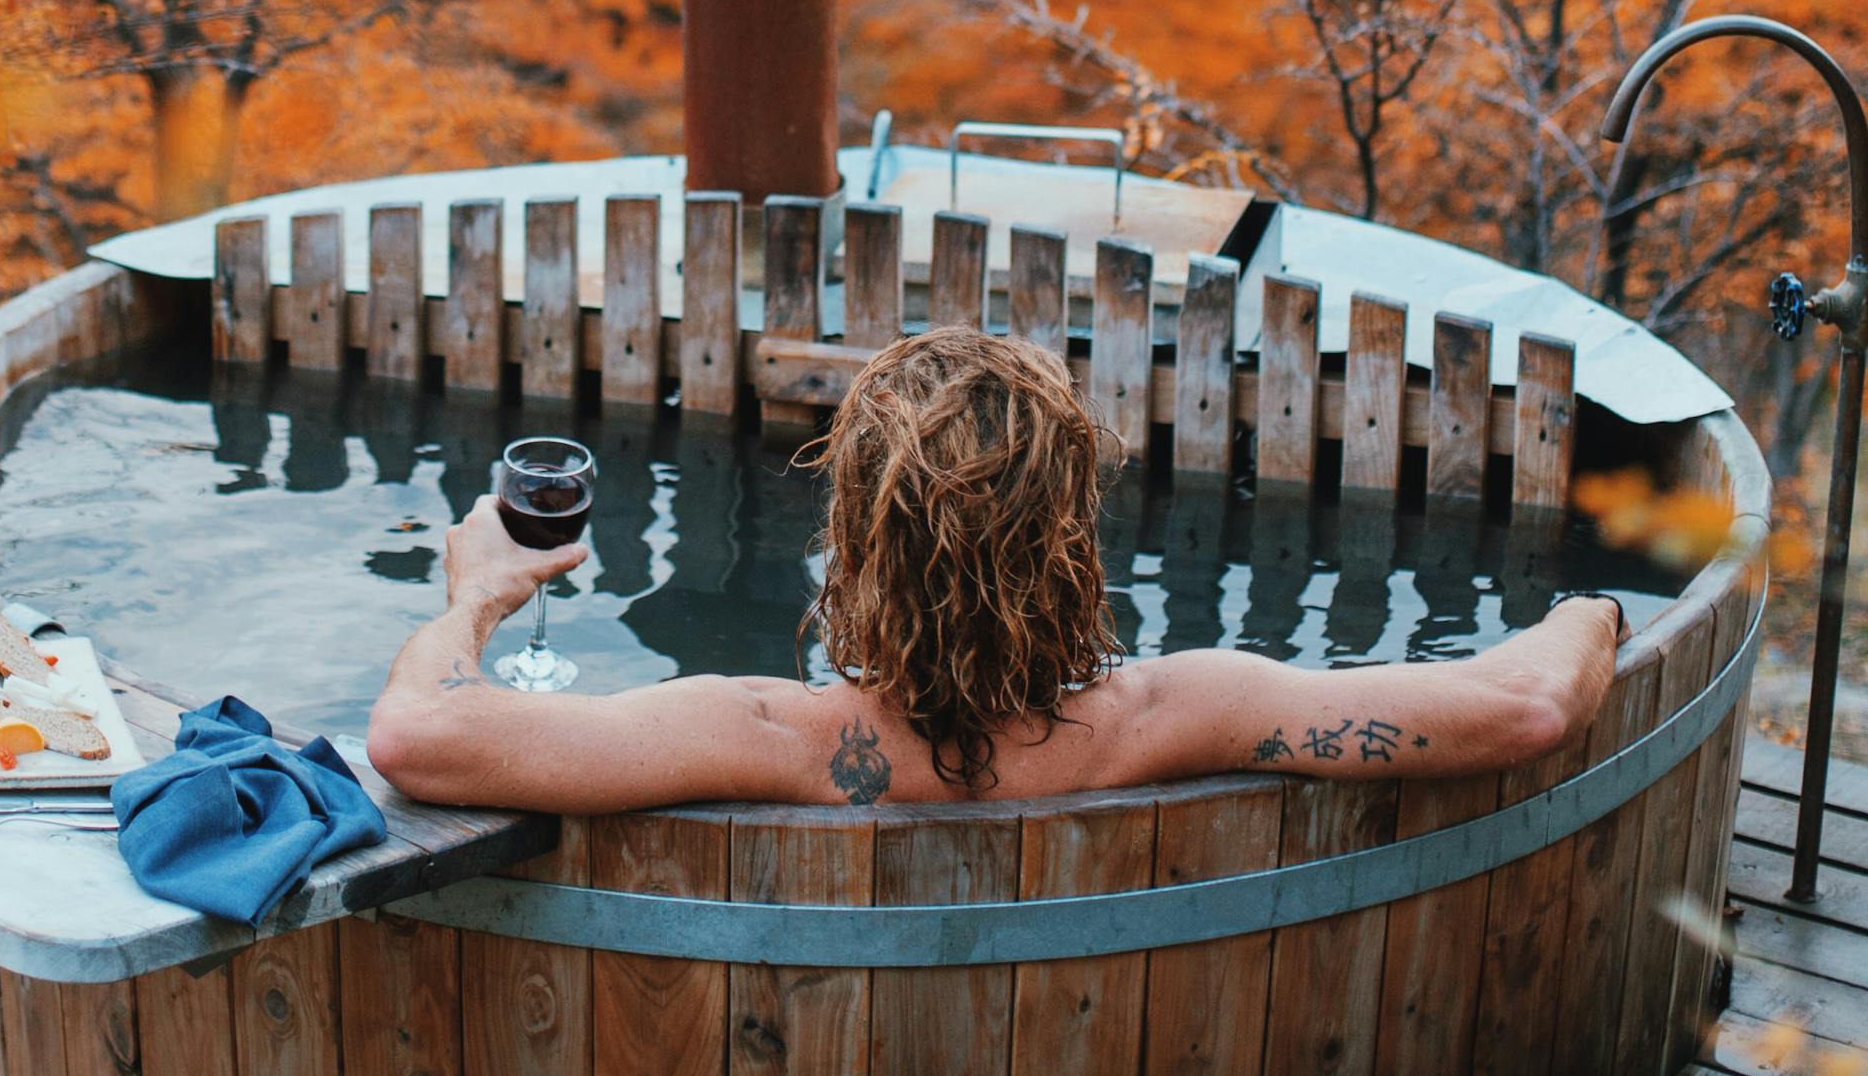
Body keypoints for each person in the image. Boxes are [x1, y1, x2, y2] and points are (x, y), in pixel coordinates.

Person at [365, 323, 1620, 815]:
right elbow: (1528, 702)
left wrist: (479, 591)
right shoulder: (1177, 713)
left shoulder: (768, 731)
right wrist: (1597, 600)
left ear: (853, 539)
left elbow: (419, 739)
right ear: (1074, 537)